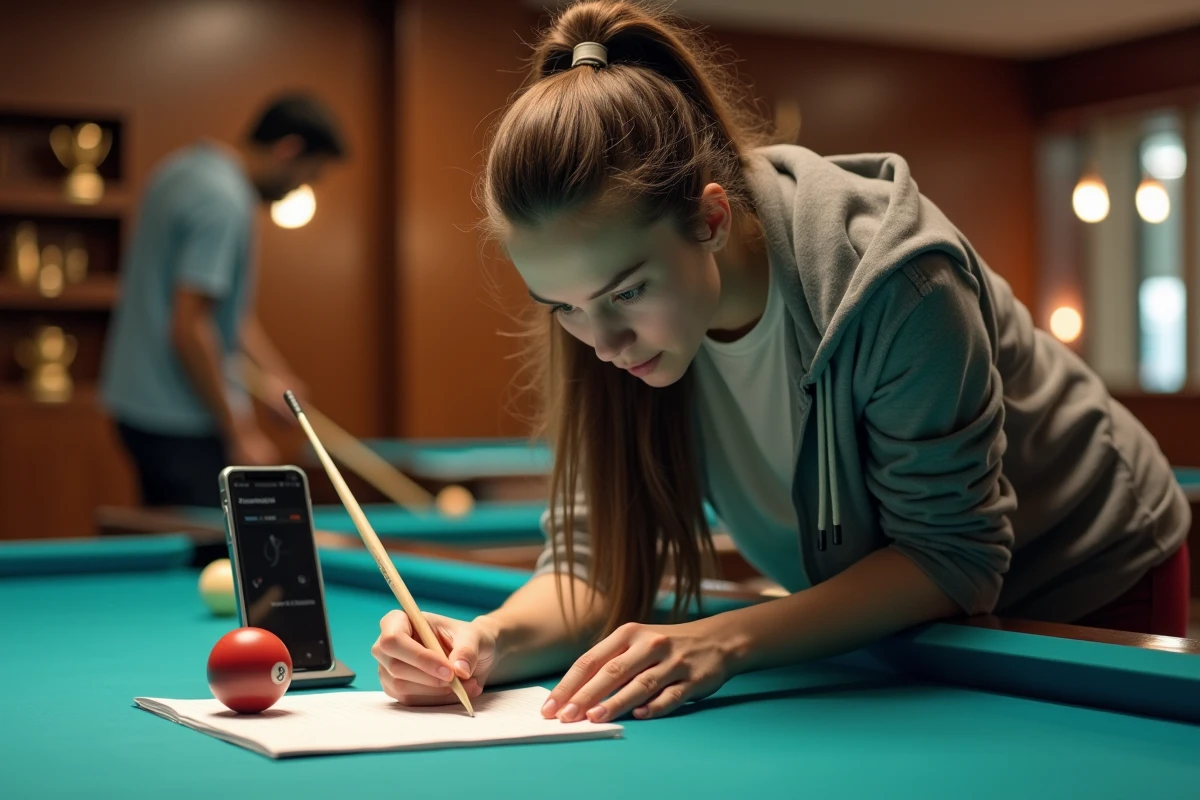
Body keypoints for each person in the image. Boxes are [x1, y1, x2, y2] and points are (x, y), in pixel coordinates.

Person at [372, 0, 1191, 724]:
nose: (601, 341)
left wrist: (723, 640)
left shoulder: (900, 282)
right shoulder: (600, 314)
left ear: (712, 219)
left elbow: (953, 556)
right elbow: (590, 564)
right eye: (564, 309)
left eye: (625, 293)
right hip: (914, 604)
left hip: (1090, 567)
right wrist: (483, 642)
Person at [101, 93, 347, 508]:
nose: (300, 188)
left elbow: (220, 312)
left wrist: (275, 377)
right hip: (178, 420)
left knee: (169, 536)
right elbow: (190, 327)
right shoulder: (224, 201)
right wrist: (241, 432)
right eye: (309, 175)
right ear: (289, 149)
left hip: (135, 406)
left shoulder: (183, 168)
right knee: (210, 554)